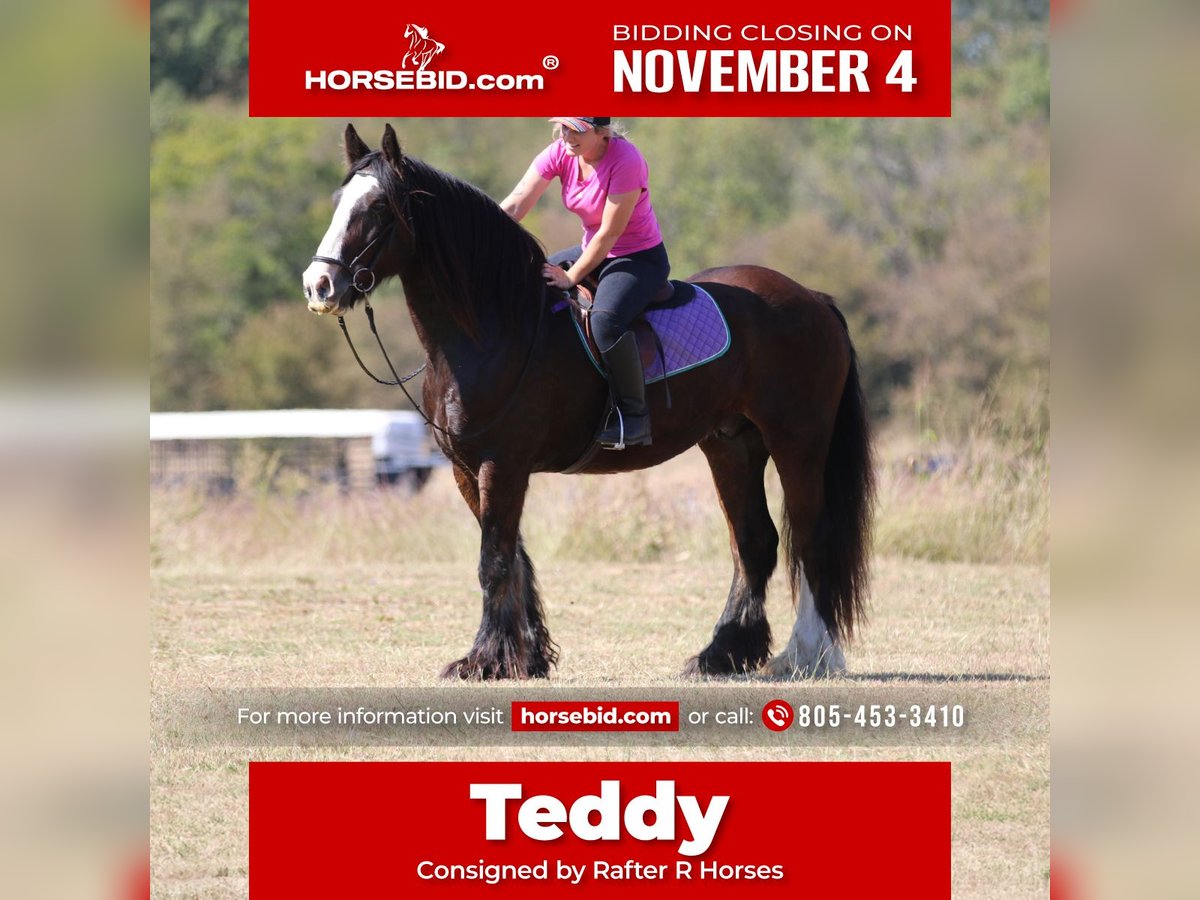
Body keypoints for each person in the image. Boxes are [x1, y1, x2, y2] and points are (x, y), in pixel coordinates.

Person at [500, 116, 670, 449]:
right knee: (527, 280)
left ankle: (634, 418)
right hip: (592, 248)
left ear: (602, 131)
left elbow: (610, 233)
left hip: (637, 257)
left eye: (576, 129)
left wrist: (571, 276)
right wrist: (479, 237)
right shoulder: (561, 152)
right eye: (563, 127)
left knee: (605, 321)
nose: (567, 135)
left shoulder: (627, 160)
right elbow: (517, 201)